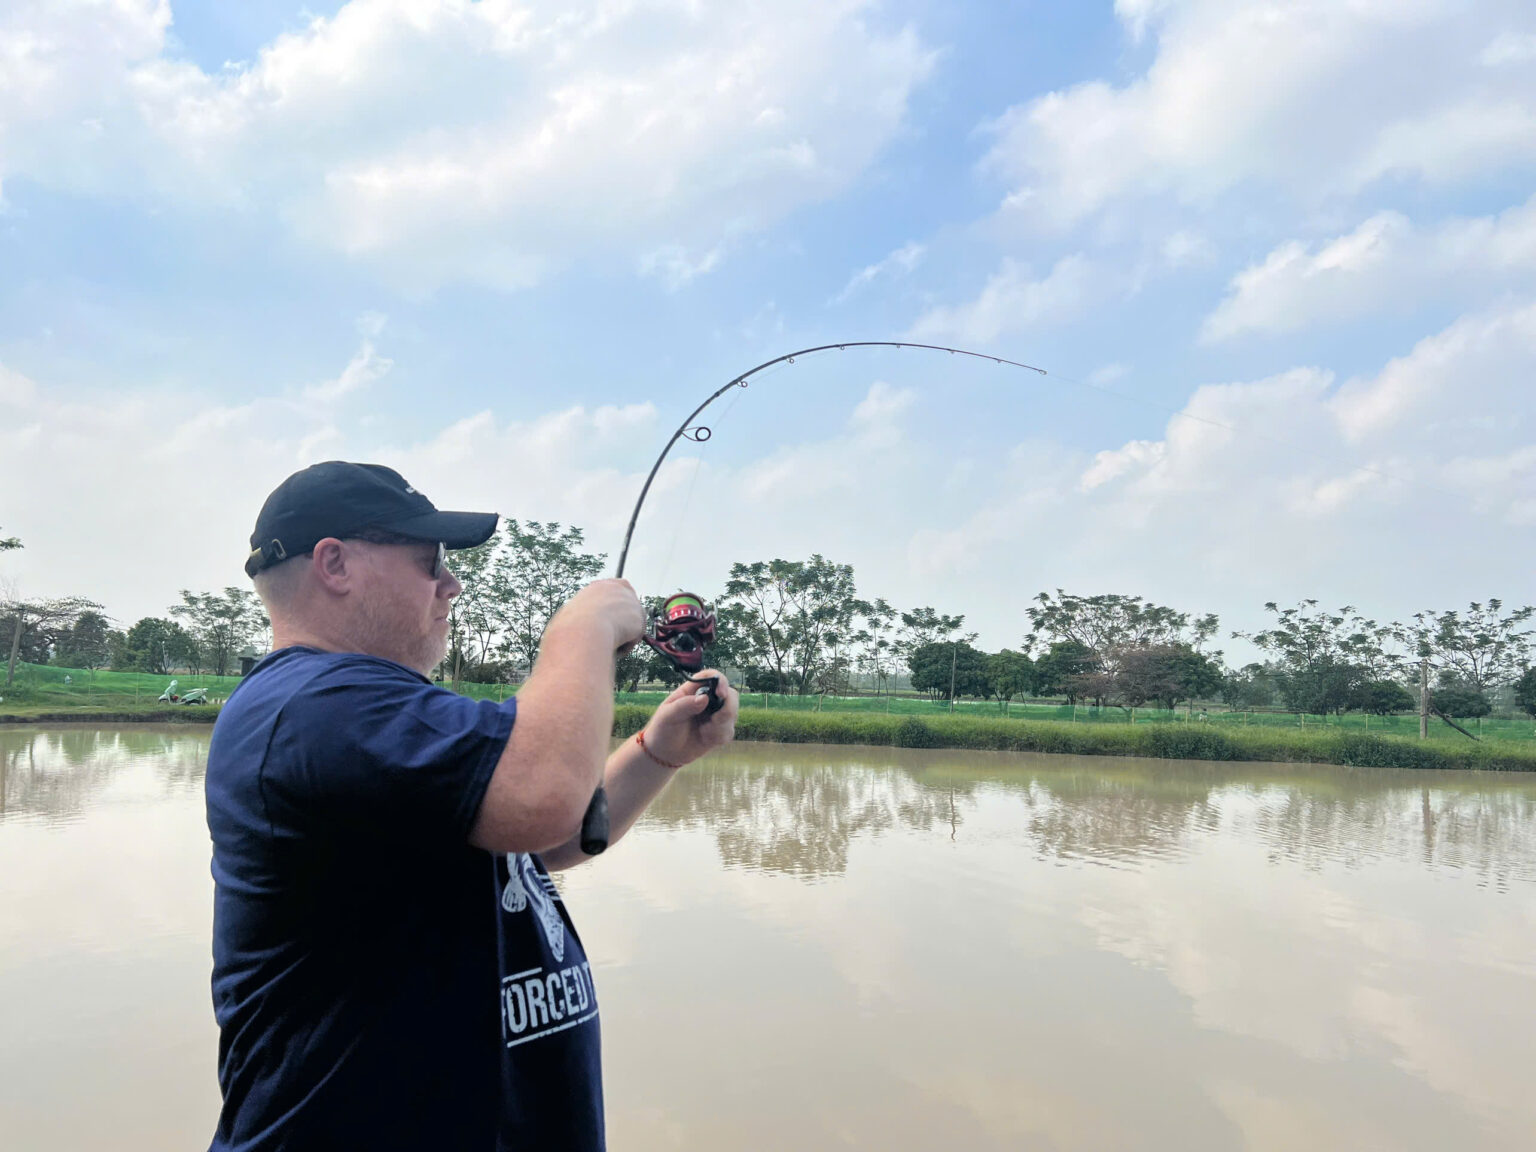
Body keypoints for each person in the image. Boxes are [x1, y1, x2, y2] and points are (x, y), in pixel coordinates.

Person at [205, 460, 739, 1151]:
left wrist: (657, 751)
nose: (451, 584)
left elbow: (543, 838)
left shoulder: (379, 708)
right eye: (430, 562)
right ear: (334, 563)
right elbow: (542, 797)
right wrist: (582, 628)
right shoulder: (311, 705)